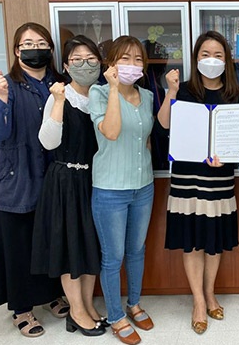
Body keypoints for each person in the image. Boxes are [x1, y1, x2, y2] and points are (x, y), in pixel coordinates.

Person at [0, 22, 70, 338]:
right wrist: (2, 98)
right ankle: (22, 309)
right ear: (17, 51)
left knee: (48, 241)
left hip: (50, 177)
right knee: (18, 246)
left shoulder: (58, 84)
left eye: (41, 42)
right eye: (27, 43)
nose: (35, 48)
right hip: (13, 180)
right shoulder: (4, 85)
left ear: (49, 48)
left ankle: (51, 295)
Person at [156, 31, 239, 335]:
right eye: (205, 54)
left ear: (227, 60)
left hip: (219, 179)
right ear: (196, 59)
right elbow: (165, 124)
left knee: (213, 242)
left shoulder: (236, 94)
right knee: (193, 242)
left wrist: (229, 157)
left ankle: (210, 293)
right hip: (187, 179)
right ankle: (197, 300)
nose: (211, 60)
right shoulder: (186, 90)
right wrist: (170, 91)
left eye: (218, 55)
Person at [30, 35, 106, 336]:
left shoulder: (101, 95)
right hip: (64, 181)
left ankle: (87, 305)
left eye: (91, 59)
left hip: (93, 180)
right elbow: (47, 141)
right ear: (65, 65)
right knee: (69, 248)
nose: (84, 64)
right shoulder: (59, 95)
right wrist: (59, 101)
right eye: (77, 59)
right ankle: (75, 310)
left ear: (100, 64)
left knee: (89, 248)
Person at [88, 35, 155, 345]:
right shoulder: (99, 93)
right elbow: (112, 132)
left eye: (138, 59)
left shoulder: (148, 96)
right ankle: (115, 315)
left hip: (143, 186)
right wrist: (114, 88)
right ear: (111, 63)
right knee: (113, 257)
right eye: (125, 59)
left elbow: (145, 138)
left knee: (136, 251)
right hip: (110, 189)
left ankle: (135, 303)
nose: (132, 65)